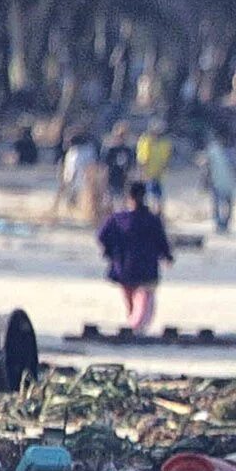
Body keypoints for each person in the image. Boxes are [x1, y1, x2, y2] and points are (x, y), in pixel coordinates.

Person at [98, 180, 173, 333]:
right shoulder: (152, 220)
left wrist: (110, 253)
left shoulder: (118, 219)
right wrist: (167, 256)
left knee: (133, 303)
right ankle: (135, 327)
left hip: (124, 269)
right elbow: (161, 241)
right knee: (143, 303)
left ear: (128, 197)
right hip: (146, 270)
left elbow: (102, 236)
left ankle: (133, 326)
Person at [198, 135, 236, 233]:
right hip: (228, 183)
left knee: (217, 205)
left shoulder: (212, 150)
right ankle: (225, 225)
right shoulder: (231, 152)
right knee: (227, 205)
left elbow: (205, 167)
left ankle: (220, 225)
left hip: (217, 183)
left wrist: (203, 183)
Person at [135, 121, 172, 210]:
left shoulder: (164, 143)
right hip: (148, 175)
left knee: (158, 196)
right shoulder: (146, 142)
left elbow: (166, 159)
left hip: (159, 175)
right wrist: (142, 173)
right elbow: (142, 160)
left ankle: (158, 214)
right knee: (150, 196)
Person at [102, 123, 136, 212]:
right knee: (108, 201)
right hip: (111, 177)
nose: (122, 138)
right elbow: (105, 165)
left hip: (123, 178)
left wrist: (130, 177)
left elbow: (131, 165)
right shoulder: (110, 149)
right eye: (120, 135)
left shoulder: (128, 150)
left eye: (124, 135)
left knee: (122, 202)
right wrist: (104, 178)